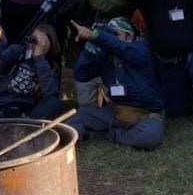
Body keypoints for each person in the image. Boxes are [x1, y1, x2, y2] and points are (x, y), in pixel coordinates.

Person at [67, 17, 164, 150]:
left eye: (115, 34)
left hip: (144, 115)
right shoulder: (105, 55)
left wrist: (97, 36)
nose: (109, 39)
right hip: (115, 112)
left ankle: (109, 135)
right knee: (76, 117)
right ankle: (72, 141)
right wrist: (89, 50)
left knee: (150, 135)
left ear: (129, 36)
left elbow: (121, 48)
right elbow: (81, 75)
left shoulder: (141, 48)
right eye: (108, 34)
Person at [0, 21, 61, 121]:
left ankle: (24, 126)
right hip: (0, 110)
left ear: (50, 44)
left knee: (54, 102)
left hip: (26, 114)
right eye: (33, 38)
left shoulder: (50, 67)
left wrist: (39, 58)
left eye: (40, 41)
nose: (33, 44)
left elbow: (50, 93)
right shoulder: (16, 52)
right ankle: (5, 126)